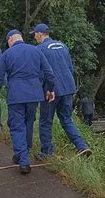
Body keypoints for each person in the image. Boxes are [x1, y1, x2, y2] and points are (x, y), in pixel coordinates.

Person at [0, 30, 55, 174]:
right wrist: (50, 90)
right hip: (34, 95)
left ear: (9, 40)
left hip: (16, 95)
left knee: (17, 126)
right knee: (28, 123)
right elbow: (49, 74)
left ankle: (24, 161)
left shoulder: (7, 54)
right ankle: (22, 152)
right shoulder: (36, 51)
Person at [31, 23, 91, 158]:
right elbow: (70, 67)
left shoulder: (40, 49)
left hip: (51, 90)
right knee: (66, 119)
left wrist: (39, 89)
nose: (34, 37)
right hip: (68, 88)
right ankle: (82, 146)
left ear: (40, 34)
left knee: (46, 121)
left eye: (34, 34)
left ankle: (47, 152)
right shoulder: (63, 46)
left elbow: (41, 73)